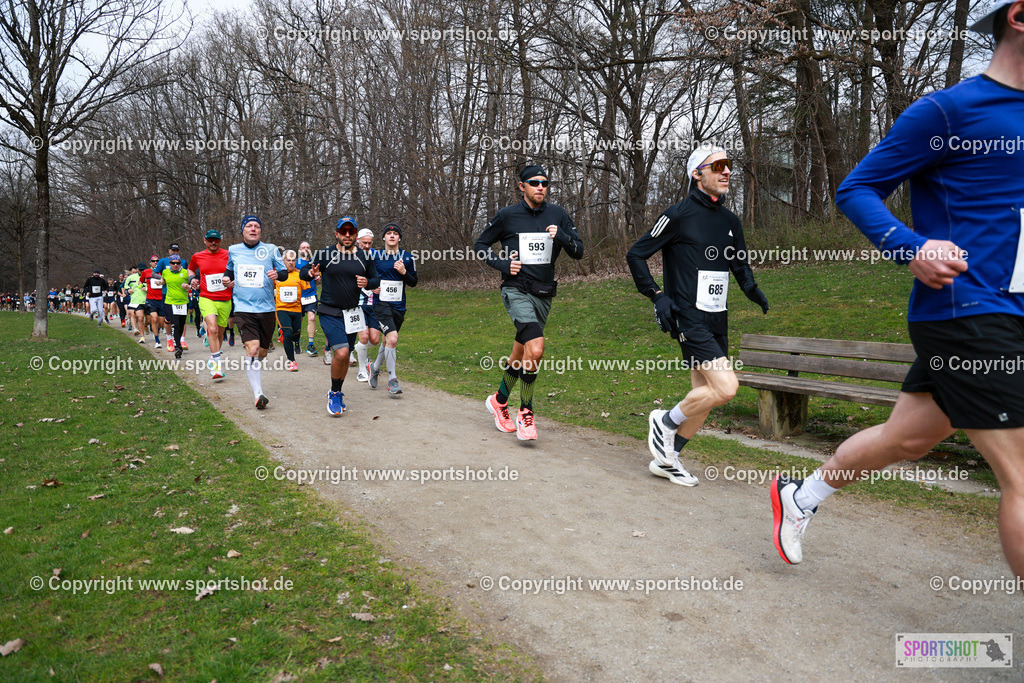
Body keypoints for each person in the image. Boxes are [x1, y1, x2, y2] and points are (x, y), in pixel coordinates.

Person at [770, 1, 1024, 579]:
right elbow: (857, 188)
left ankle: (800, 496)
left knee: (908, 438)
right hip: (969, 311)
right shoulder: (948, 111)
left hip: (1015, 311)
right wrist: (911, 248)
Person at [627, 145, 769, 487]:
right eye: (717, 166)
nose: (726, 172)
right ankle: (664, 421)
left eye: (729, 166)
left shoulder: (731, 221)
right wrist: (656, 296)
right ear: (697, 173)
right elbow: (636, 254)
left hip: (716, 317)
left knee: (704, 398)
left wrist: (752, 290)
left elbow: (739, 263)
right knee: (727, 387)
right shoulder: (679, 214)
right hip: (687, 316)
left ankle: (668, 458)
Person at [473, 164, 584, 440]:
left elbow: (579, 251)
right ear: (522, 186)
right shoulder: (507, 216)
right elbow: (480, 245)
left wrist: (562, 236)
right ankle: (526, 412)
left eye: (545, 183)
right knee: (536, 348)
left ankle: (499, 401)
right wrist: (502, 264)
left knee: (521, 354)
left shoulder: (558, 214)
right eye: (534, 183)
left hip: (544, 293)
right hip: (516, 289)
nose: (540, 187)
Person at [300, 216, 379, 416]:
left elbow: (375, 278)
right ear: (336, 233)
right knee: (342, 352)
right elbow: (303, 271)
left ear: (355, 234)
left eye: (350, 231)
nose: (346, 235)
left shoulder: (365, 256)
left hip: (352, 313)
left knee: (344, 357)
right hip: (329, 311)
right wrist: (311, 273)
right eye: (342, 231)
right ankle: (334, 393)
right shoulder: (325, 254)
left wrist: (367, 283)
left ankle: (337, 390)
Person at [222, 215, 287, 409]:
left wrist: (277, 275)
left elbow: (283, 272)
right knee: (252, 349)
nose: (253, 229)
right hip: (243, 308)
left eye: (257, 226)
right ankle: (258, 394)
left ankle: (255, 367)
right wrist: (226, 280)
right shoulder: (233, 250)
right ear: (242, 230)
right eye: (249, 226)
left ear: (260, 231)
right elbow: (229, 272)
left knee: (262, 352)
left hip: (266, 308)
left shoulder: (271, 249)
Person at [367, 223, 418, 394]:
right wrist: (371, 287)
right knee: (393, 339)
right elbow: (366, 278)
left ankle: (374, 368)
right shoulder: (375, 257)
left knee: (387, 341)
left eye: (395, 233)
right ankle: (392, 379)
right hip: (380, 304)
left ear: (399, 238)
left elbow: (414, 282)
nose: (392, 236)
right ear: (383, 237)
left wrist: (404, 272)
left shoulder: (408, 258)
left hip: (399, 306)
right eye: (388, 233)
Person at [188, 229, 232, 379]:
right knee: (212, 329)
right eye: (210, 240)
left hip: (225, 298)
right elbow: (190, 269)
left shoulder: (228, 255)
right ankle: (217, 367)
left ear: (220, 241)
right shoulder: (197, 256)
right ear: (205, 241)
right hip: (206, 297)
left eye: (216, 240)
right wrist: (192, 278)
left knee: (219, 333)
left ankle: (213, 358)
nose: (213, 242)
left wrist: (232, 281)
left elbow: (236, 270)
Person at [274, 249, 312, 372]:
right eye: (288, 260)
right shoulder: (277, 274)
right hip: (281, 309)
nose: (290, 263)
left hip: (296, 310)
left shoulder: (300, 274)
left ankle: (284, 334)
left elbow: (307, 291)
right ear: (283, 261)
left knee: (296, 336)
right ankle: (292, 361)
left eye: (293, 260)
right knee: (288, 334)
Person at [353, 228, 381, 381]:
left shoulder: (376, 255)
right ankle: (362, 369)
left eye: (370, 243)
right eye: (364, 243)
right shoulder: (352, 255)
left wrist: (378, 286)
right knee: (364, 337)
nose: (367, 246)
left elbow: (379, 276)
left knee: (374, 340)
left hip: (374, 304)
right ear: (358, 240)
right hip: (358, 303)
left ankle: (356, 349)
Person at [157, 255, 191, 358]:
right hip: (170, 302)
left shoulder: (185, 273)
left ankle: (178, 342)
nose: (175, 265)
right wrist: (160, 282)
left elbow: (192, 286)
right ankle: (177, 346)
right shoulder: (165, 272)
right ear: (170, 263)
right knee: (175, 324)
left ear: (180, 263)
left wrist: (187, 287)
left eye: (178, 263)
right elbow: (164, 280)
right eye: (173, 263)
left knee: (181, 324)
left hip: (183, 302)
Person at [297, 241, 319, 357]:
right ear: (299, 250)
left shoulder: (314, 262)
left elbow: (318, 280)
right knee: (298, 321)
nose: (306, 249)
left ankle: (310, 344)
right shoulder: (295, 262)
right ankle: (297, 342)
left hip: (311, 294)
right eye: (303, 247)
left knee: (311, 318)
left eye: (308, 247)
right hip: (298, 296)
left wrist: (317, 277)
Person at [125, 264, 147, 341]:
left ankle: (146, 325)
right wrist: (128, 291)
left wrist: (147, 288)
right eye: (140, 270)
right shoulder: (131, 278)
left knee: (151, 320)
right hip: (136, 300)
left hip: (148, 300)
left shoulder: (149, 277)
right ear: (138, 270)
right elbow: (125, 287)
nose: (142, 272)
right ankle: (142, 336)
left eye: (143, 270)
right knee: (140, 318)